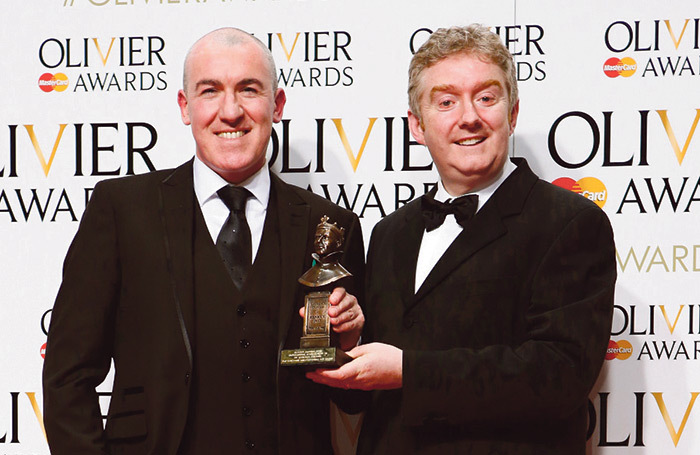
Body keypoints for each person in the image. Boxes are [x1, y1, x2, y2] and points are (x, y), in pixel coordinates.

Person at [42, 28, 365, 455]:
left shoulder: (330, 225)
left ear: (277, 104)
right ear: (185, 106)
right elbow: (67, 376)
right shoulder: (121, 210)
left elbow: (353, 397)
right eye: (210, 91)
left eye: (249, 89)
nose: (230, 112)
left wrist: (349, 345)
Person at [306, 24, 616, 454]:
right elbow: (359, 401)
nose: (469, 117)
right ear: (417, 125)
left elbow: (560, 375)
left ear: (512, 113)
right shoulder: (389, 233)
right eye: (446, 102)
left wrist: (409, 371)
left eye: (486, 97)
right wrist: (347, 342)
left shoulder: (570, 224)